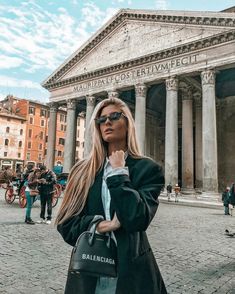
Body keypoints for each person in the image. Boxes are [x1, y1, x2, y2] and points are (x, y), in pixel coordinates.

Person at [56, 97, 167, 294]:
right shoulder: (82, 170)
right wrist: (103, 225)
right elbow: (66, 225)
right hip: (89, 271)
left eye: (114, 116)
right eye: (101, 120)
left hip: (132, 270)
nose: (107, 122)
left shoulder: (147, 169)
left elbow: (137, 219)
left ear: (128, 123)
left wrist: (118, 174)